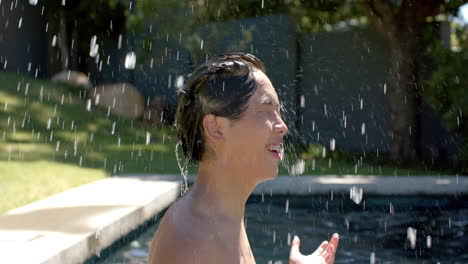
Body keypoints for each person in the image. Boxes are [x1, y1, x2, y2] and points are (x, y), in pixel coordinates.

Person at [148, 52, 339, 264]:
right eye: (267, 110)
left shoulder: (221, 218)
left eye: (278, 112)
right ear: (216, 128)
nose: (283, 126)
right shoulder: (191, 240)